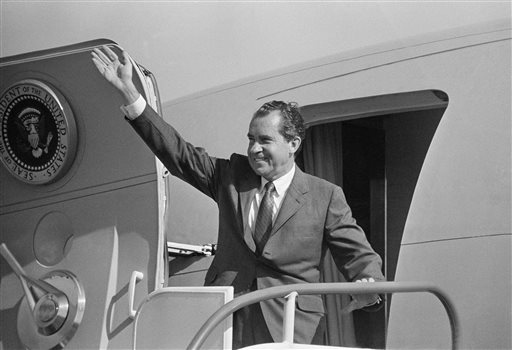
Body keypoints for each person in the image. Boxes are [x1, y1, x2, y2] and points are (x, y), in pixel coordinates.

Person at [92, 46, 385, 348]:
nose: (255, 148)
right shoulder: (231, 175)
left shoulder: (325, 196)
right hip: (228, 316)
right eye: (251, 139)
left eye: (265, 140)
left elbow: (358, 255)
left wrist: (369, 285)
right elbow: (177, 153)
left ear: (293, 143)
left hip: (292, 326)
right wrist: (129, 93)